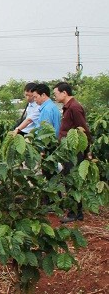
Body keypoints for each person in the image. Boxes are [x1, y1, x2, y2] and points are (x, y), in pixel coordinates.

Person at [53, 82, 92, 223]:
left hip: (74, 151)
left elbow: (83, 129)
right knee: (68, 180)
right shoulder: (68, 107)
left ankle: (76, 213)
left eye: (56, 93)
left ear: (64, 93)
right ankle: (73, 210)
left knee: (73, 180)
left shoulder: (74, 107)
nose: (55, 96)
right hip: (68, 150)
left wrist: (87, 151)